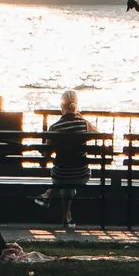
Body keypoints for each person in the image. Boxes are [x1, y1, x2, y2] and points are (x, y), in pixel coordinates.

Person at [44, 93, 95, 227]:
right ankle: (66, 216)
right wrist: (80, 118)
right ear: (76, 106)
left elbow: (45, 152)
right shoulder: (83, 124)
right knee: (70, 181)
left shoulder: (54, 127)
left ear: (61, 105)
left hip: (60, 175)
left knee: (63, 177)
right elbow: (97, 133)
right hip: (81, 174)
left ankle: (51, 196)